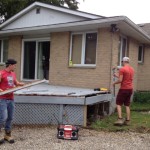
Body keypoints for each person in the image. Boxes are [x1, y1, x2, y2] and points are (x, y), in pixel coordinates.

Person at [0, 59, 24, 144]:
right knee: (3, 117)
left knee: (10, 117)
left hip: (11, 99)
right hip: (2, 99)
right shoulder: (1, 73)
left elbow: (16, 82)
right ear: (10, 65)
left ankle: (7, 135)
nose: (15, 67)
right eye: (14, 65)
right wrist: (2, 90)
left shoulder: (13, 74)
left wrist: (23, 84)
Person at [112, 57, 134, 126]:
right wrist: (116, 75)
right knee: (127, 105)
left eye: (122, 62)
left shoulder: (122, 69)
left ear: (123, 62)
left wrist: (114, 83)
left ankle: (120, 119)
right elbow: (126, 78)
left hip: (124, 89)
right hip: (130, 89)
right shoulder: (132, 69)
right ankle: (128, 121)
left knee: (118, 104)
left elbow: (120, 80)